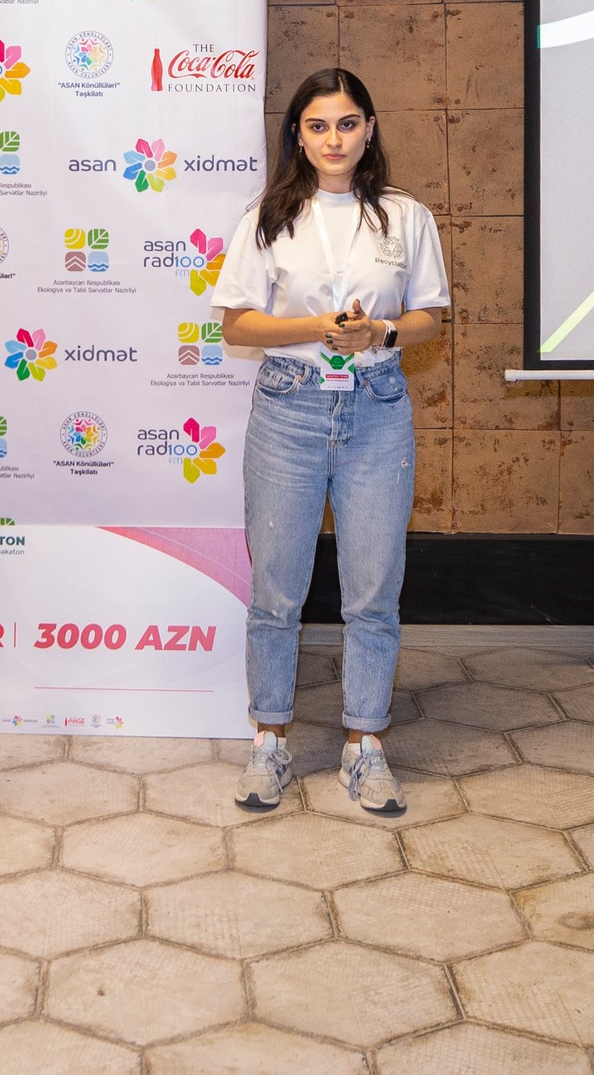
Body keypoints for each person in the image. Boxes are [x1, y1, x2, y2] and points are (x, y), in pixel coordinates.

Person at [212, 67, 449, 815]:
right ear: (298, 135)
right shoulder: (267, 216)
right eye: (318, 126)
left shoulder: (406, 216)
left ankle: (364, 745)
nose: (334, 139)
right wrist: (317, 327)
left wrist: (380, 332)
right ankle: (269, 742)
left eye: (347, 124)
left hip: (377, 407)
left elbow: (430, 317)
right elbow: (237, 324)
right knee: (277, 591)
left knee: (373, 591)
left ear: (369, 129)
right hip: (290, 407)